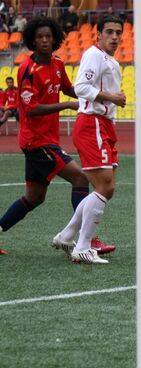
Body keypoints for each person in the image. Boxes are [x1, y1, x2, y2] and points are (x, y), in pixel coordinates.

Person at [0, 17, 113, 256]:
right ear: (32, 40)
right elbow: (30, 108)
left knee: (34, 197)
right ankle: (86, 240)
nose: (44, 40)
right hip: (36, 141)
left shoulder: (58, 64)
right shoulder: (28, 70)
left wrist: (93, 93)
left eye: (48, 36)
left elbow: (71, 88)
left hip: (46, 140)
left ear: (55, 39)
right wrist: (66, 105)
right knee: (81, 178)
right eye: (39, 37)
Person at [52, 15, 126, 264]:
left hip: (104, 125)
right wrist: (112, 97)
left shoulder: (110, 60)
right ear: (98, 34)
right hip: (92, 122)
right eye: (109, 32)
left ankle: (67, 235)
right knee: (106, 186)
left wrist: (112, 102)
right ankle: (82, 246)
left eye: (118, 32)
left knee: (106, 187)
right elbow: (81, 87)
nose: (114, 36)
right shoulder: (94, 55)